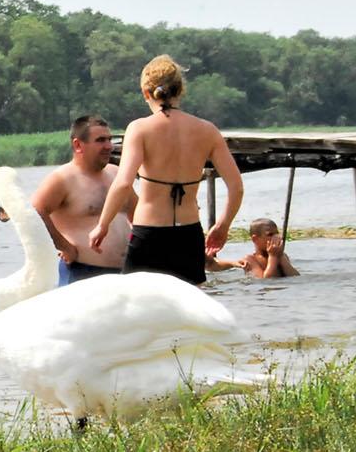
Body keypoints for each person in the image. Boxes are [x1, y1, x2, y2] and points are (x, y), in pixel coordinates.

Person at [89, 55, 243, 286]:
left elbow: (123, 183)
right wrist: (223, 225)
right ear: (180, 90)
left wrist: (102, 226)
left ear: (145, 92)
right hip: (189, 234)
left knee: (138, 305)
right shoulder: (207, 130)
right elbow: (236, 187)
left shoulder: (139, 129)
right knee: (190, 310)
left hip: (149, 233)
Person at [30, 114, 136, 284]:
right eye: (100, 140)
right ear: (78, 145)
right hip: (82, 273)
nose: (109, 146)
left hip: (125, 274)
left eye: (109, 139)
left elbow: (137, 214)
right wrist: (63, 246)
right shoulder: (62, 179)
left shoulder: (117, 174)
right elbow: (35, 212)